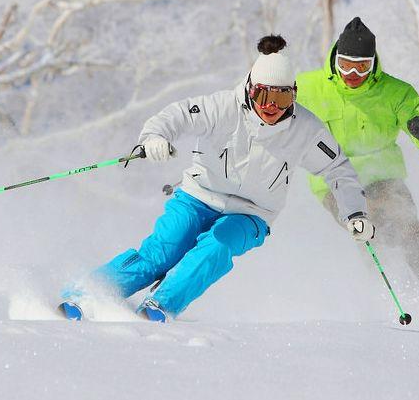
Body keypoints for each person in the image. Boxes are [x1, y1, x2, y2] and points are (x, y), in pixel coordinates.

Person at [60, 35, 373, 322]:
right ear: (250, 88)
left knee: (218, 245)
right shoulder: (223, 107)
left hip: (253, 213)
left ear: (294, 95)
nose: (270, 108)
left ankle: (161, 305)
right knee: (163, 252)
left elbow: (338, 170)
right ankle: (86, 294)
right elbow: (177, 116)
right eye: (263, 96)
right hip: (198, 195)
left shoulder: (305, 130)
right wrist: (155, 137)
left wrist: (354, 212)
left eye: (281, 99)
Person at [295, 17, 419, 293]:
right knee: (368, 227)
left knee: (406, 226)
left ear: (372, 63)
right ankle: (393, 293)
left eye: (361, 67)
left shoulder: (394, 92)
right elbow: (269, 101)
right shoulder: (308, 88)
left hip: (384, 177)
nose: (352, 74)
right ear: (335, 59)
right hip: (334, 181)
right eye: (345, 65)